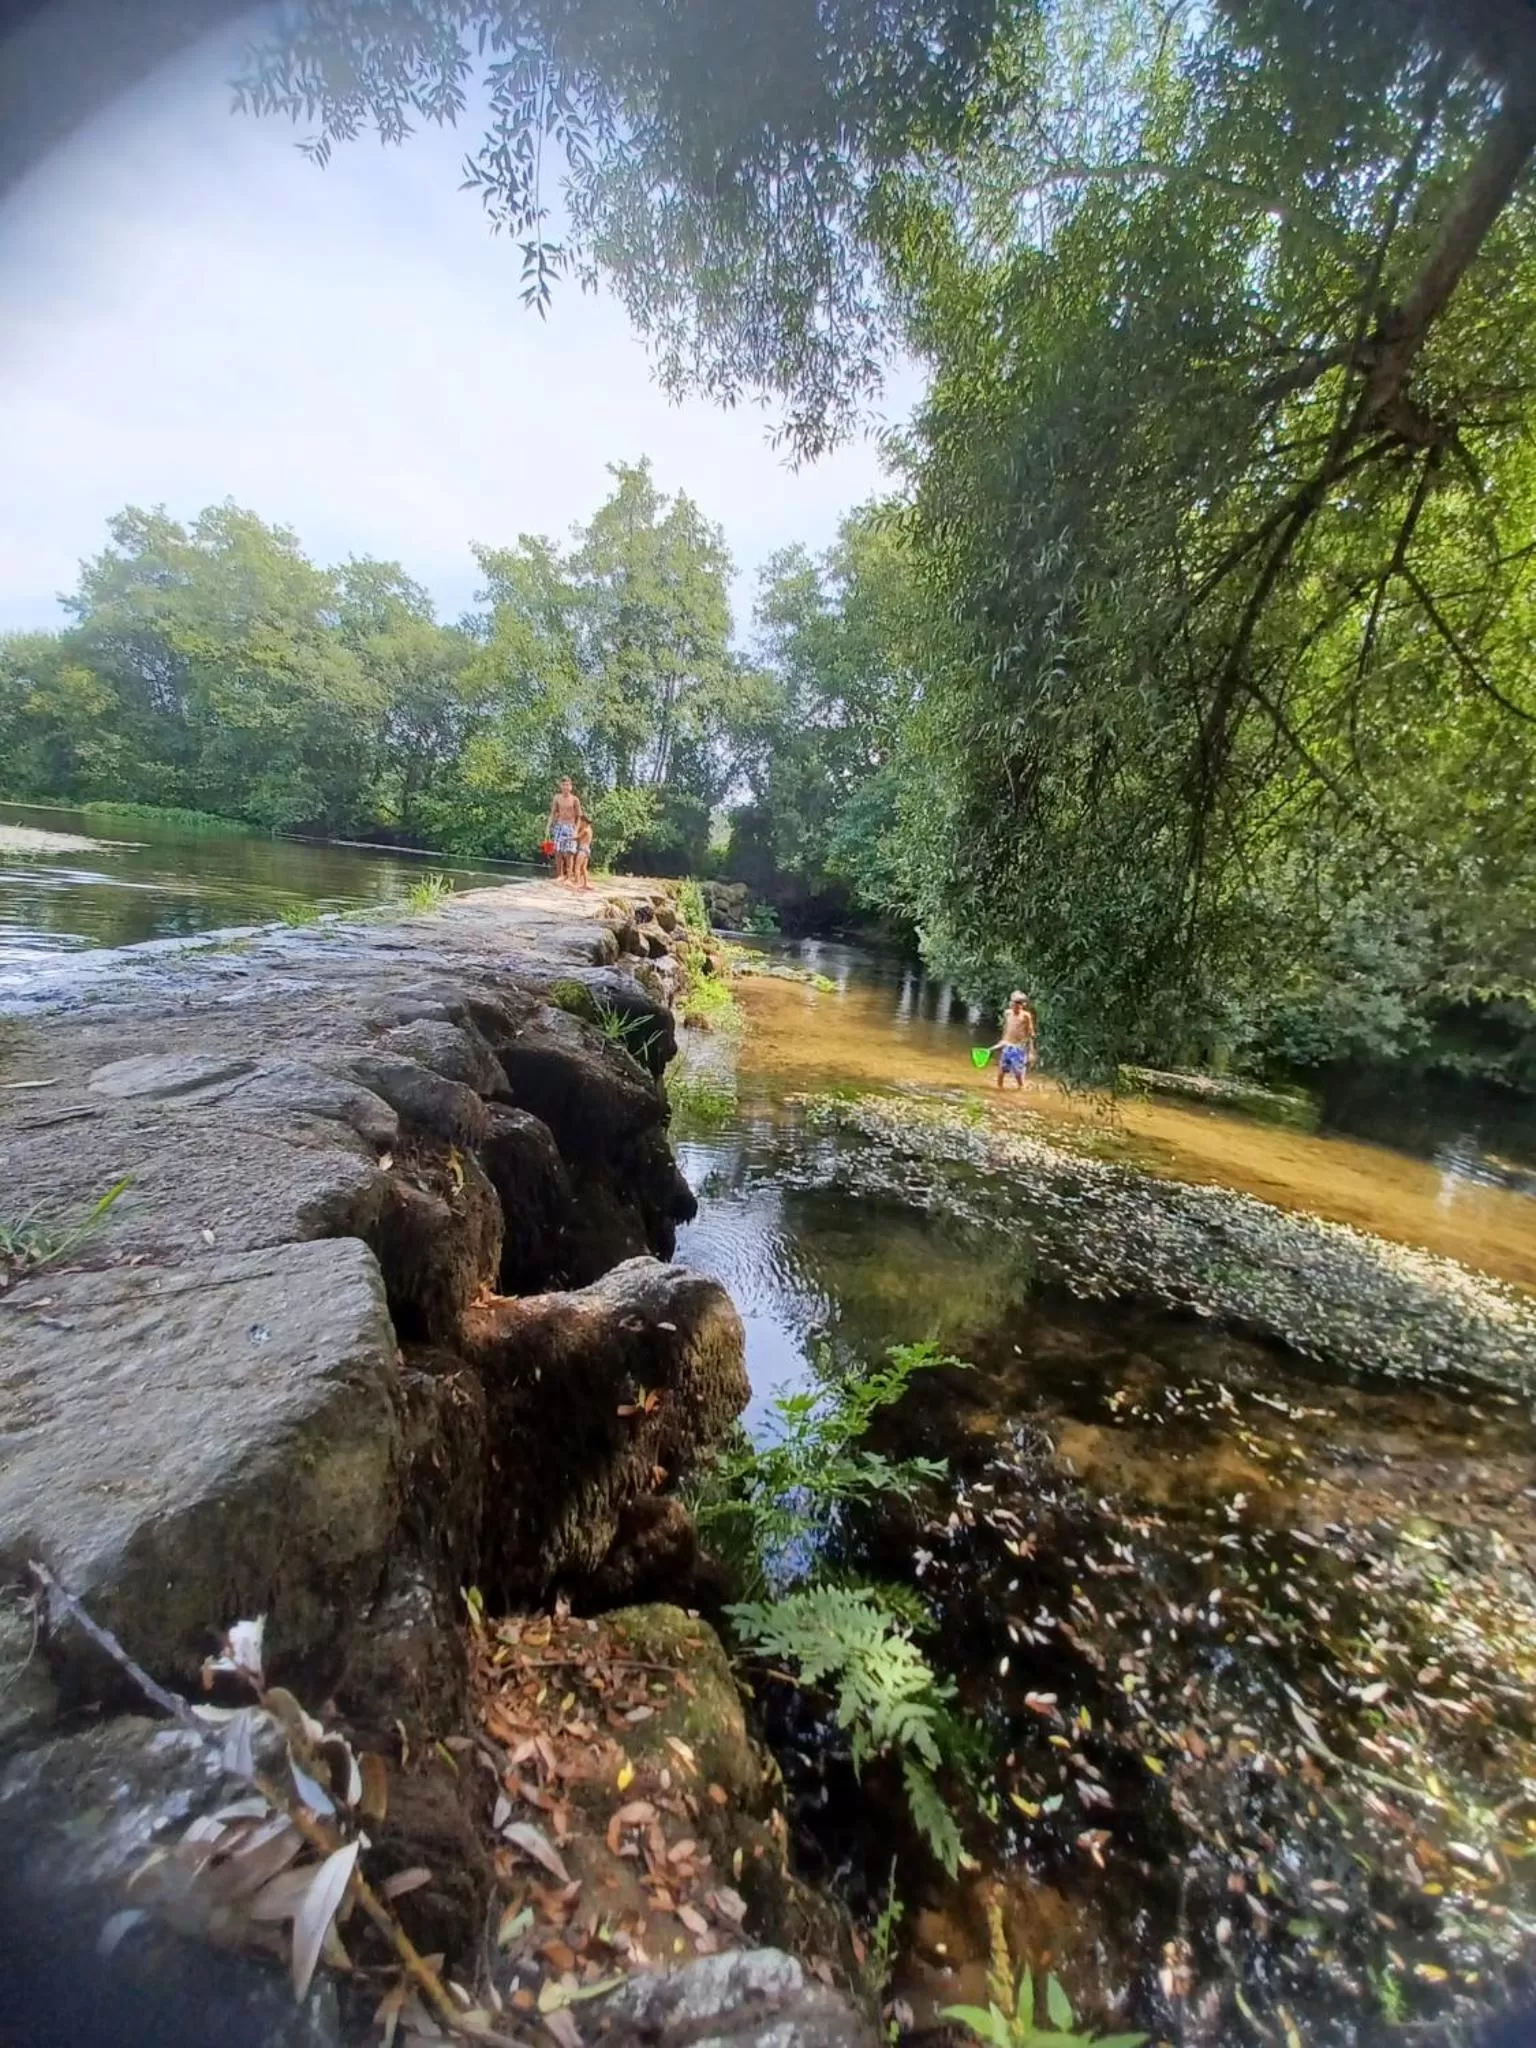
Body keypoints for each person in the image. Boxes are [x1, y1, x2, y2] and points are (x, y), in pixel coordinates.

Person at [991, 990, 1036, 1088]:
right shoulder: (1007, 1013)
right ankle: (1000, 1091)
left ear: (1023, 1005)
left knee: (1018, 1074)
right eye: (1013, 1003)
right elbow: (1006, 1029)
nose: (1015, 1005)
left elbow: (1030, 1034)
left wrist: (1031, 1052)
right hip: (1007, 1045)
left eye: (1018, 1003)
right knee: (1001, 1072)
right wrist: (1001, 1042)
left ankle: (1021, 1089)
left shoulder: (1026, 1016)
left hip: (1019, 1047)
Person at [546, 776, 583, 882]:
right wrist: (548, 826)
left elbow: (579, 816)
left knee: (569, 852)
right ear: (560, 786)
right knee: (558, 851)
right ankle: (559, 875)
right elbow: (553, 813)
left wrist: (576, 830)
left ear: (570, 787)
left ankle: (569, 875)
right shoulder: (557, 798)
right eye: (563, 785)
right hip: (560, 825)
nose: (565, 787)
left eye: (567, 785)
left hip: (571, 826)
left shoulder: (575, 799)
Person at [573, 817, 594, 891]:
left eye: (581, 822)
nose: (580, 824)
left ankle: (577, 883)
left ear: (584, 822)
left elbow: (576, 837)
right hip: (587, 849)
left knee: (577, 867)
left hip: (582, 849)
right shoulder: (590, 829)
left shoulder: (585, 830)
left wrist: (567, 838)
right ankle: (585, 883)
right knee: (583, 868)